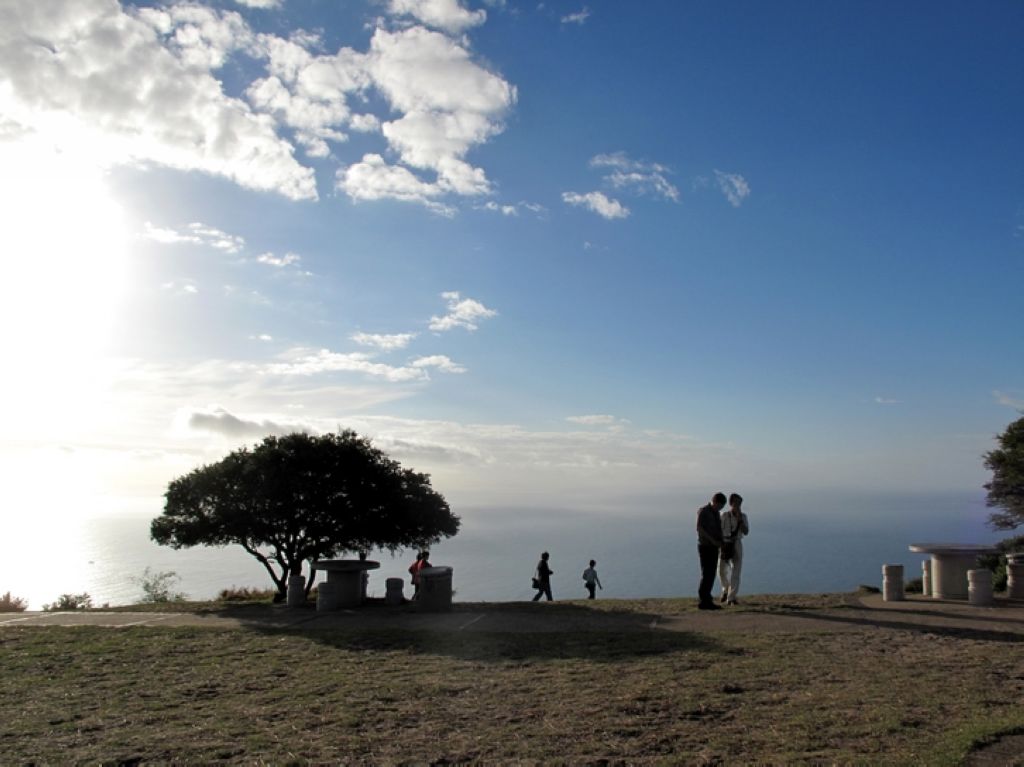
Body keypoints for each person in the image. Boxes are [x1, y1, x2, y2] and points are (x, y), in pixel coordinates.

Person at [695, 492, 726, 610]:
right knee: (706, 573)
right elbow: (699, 528)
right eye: (720, 506)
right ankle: (703, 600)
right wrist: (713, 541)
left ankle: (707, 599)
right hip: (705, 546)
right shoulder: (704, 511)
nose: (720, 509)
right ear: (715, 502)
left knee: (711, 574)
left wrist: (721, 543)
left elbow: (718, 529)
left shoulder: (716, 513)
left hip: (714, 547)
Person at [718, 494, 750, 605]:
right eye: (736, 503)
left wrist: (740, 520)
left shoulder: (743, 516)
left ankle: (731, 597)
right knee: (721, 570)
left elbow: (746, 532)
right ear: (731, 503)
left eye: (740, 504)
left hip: (737, 542)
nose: (739, 506)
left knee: (736, 571)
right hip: (725, 543)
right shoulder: (724, 516)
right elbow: (719, 530)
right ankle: (725, 589)